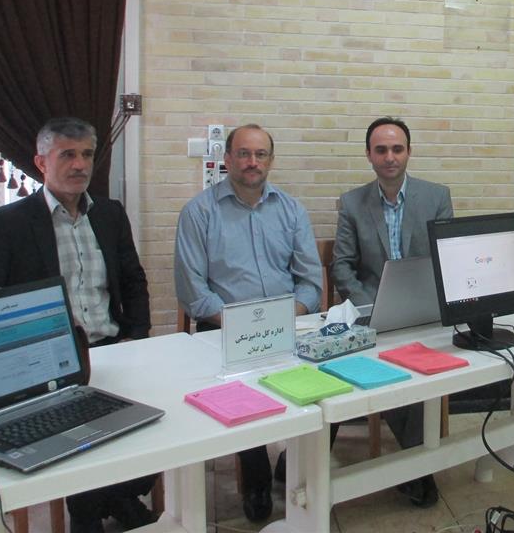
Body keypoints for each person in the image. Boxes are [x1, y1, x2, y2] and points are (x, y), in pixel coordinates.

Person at [0, 117, 156, 533]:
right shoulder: (7, 224)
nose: (80, 165)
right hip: (50, 366)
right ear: (41, 162)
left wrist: (138, 337)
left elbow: (133, 280)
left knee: (161, 422)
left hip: (116, 349)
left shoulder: (110, 214)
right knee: (80, 439)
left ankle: (119, 496)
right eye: (67, 155)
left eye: (87, 154)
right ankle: (88, 516)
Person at [174, 124, 321, 521]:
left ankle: (293, 463)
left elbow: (310, 282)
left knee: (333, 379)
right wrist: (242, 325)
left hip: (288, 325)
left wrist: (288, 317)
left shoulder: (291, 210)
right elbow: (193, 292)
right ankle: (255, 477)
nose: (252, 162)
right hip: (223, 330)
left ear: (271, 160)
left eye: (260, 154)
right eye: (243, 153)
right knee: (240, 394)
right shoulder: (199, 212)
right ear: (227, 159)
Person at [331, 116, 453, 507]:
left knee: (415, 364)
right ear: (369, 155)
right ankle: (418, 470)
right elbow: (342, 266)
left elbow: (446, 258)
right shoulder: (352, 203)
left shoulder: (436, 197)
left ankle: (416, 468)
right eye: (381, 149)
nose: (390, 157)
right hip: (372, 312)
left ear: (409, 152)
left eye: (397, 149)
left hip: (423, 311)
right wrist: (369, 305)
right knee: (376, 365)